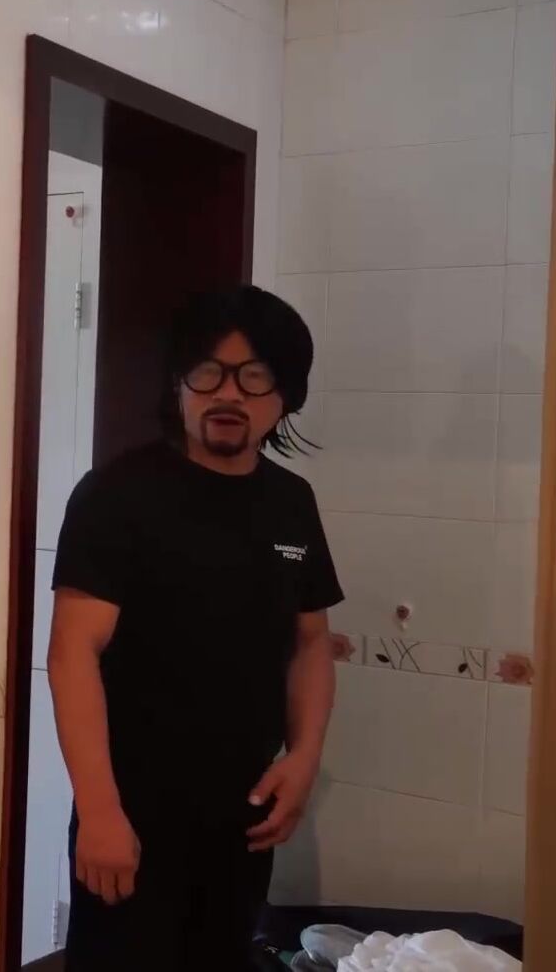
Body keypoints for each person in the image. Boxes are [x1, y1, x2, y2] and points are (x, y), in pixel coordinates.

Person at [48, 285, 343, 971]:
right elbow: (71, 654)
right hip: (131, 811)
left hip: (246, 813)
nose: (227, 393)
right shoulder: (116, 495)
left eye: (253, 376)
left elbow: (310, 644)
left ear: (286, 394)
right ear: (178, 383)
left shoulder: (291, 502)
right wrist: (99, 809)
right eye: (208, 372)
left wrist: (303, 758)